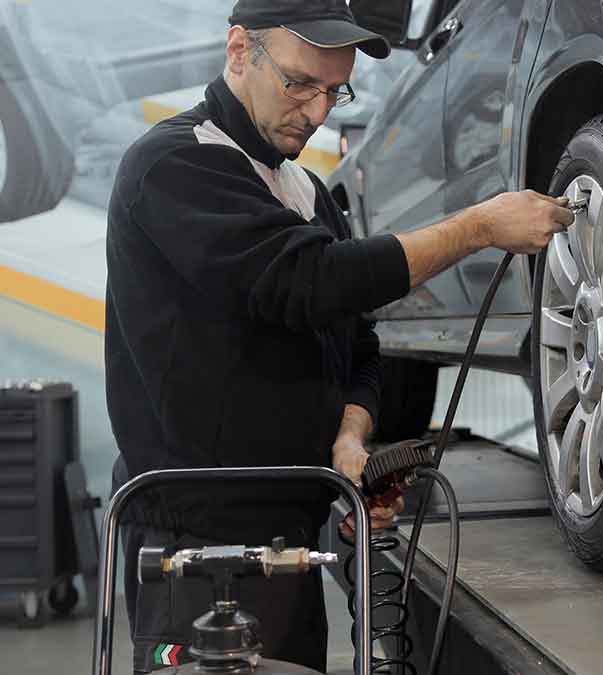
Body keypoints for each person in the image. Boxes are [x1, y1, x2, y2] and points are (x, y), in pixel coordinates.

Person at [104, 0, 573, 671]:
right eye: (300, 83)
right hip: (198, 544)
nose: (319, 112)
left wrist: (349, 442)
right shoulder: (173, 164)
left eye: (335, 90)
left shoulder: (307, 192)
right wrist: (477, 227)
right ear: (239, 50)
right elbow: (306, 280)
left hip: (291, 538)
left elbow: (358, 345)